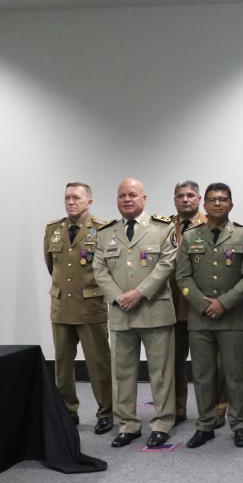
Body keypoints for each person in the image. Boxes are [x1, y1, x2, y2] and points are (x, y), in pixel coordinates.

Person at [93, 177, 177, 449]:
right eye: (121, 196)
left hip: (154, 310)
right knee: (122, 373)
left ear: (144, 198)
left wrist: (140, 292)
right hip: (121, 314)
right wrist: (119, 296)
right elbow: (99, 269)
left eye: (132, 195)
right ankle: (127, 424)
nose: (127, 199)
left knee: (160, 373)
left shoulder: (162, 228)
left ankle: (162, 423)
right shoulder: (106, 233)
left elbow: (167, 263)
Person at [176, 183, 243, 448]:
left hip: (232, 317)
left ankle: (239, 423)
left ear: (231, 204)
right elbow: (182, 276)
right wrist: (201, 304)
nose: (218, 203)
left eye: (223, 199)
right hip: (199, 318)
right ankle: (205, 424)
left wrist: (223, 303)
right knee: (203, 374)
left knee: (235, 374)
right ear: (205, 204)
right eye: (212, 199)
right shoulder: (190, 236)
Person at [44, 182, 113, 434]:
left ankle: (106, 412)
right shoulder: (53, 229)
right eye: (67, 197)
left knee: (98, 364)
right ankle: (67, 411)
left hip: (90, 306)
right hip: (61, 307)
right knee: (62, 366)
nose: (70, 202)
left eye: (76, 198)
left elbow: (107, 269)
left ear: (89, 202)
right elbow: (52, 266)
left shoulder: (103, 229)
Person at [168, 181, 228, 427]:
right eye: (180, 196)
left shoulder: (211, 224)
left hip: (202, 305)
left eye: (190, 195)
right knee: (173, 361)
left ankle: (218, 409)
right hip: (172, 305)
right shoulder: (163, 227)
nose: (185, 200)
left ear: (199, 198)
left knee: (213, 363)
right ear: (174, 199)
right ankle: (178, 409)